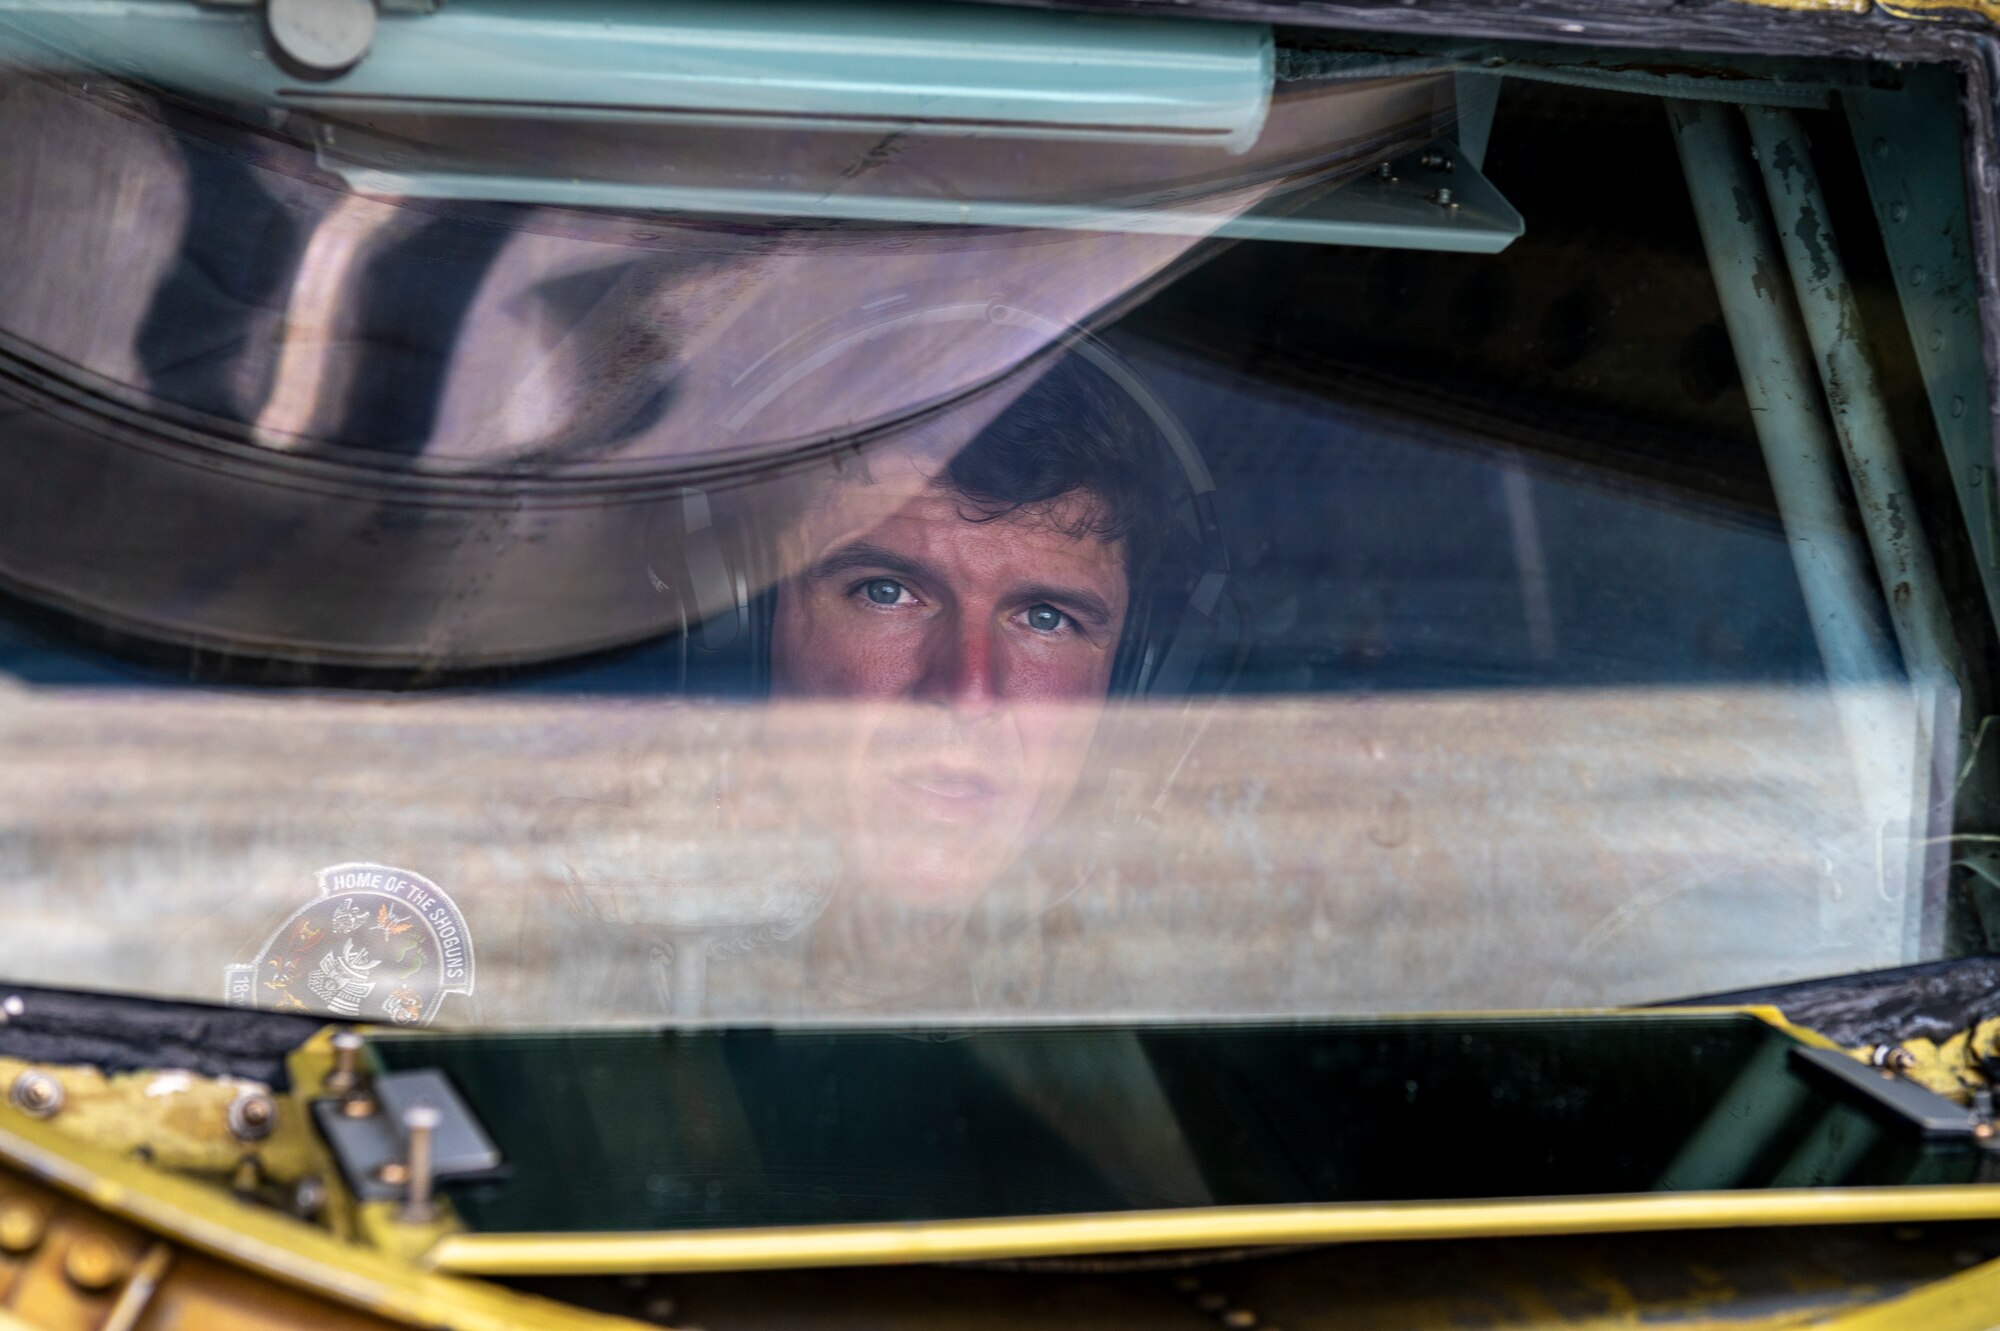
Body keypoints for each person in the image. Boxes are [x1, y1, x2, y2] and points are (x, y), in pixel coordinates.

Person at [761, 351, 1185, 1005]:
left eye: (1046, 618)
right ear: (759, 619)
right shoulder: (580, 969)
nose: (968, 690)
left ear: (1128, 675)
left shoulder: (1177, 1023)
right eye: (886, 591)